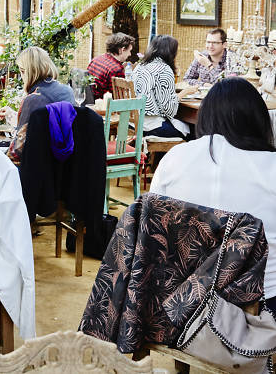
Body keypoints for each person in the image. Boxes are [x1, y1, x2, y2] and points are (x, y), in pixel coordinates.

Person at [150, 77, 276, 309]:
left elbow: (154, 232)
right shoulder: (271, 167)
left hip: (178, 307)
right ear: (258, 120)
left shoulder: (175, 159)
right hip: (261, 312)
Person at [133, 35, 197, 139]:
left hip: (135, 124)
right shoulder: (164, 69)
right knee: (194, 130)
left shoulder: (140, 66)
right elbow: (169, 109)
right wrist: (184, 92)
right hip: (152, 127)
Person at [0, 46, 75, 129]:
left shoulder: (34, 98)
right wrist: (11, 115)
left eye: (21, 72)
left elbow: (21, 138)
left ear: (25, 71)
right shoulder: (68, 91)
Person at [86, 32, 135, 99]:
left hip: (91, 103)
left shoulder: (96, 60)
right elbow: (119, 98)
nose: (130, 54)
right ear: (122, 50)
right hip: (105, 106)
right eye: (129, 51)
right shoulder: (116, 69)